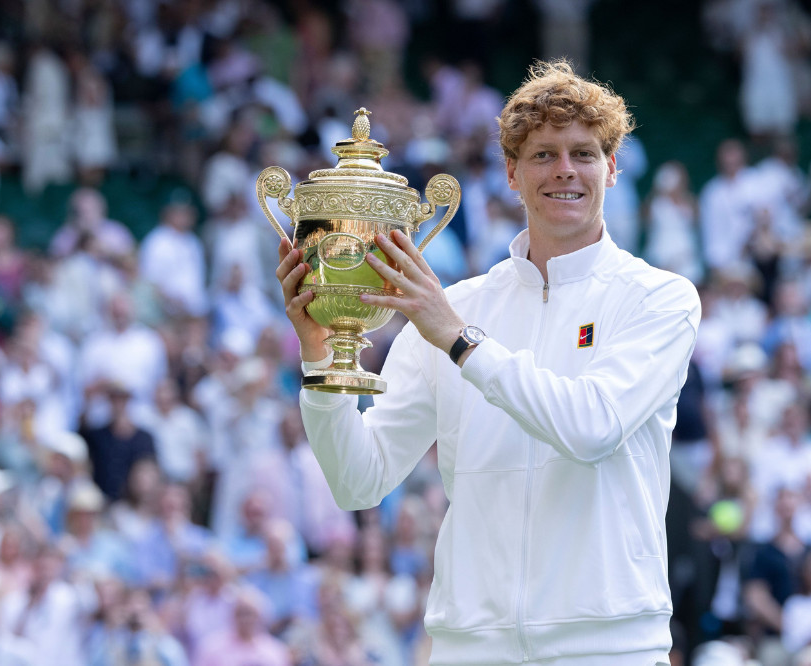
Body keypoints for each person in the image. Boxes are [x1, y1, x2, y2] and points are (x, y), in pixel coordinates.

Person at [276, 60, 701, 664]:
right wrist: (320, 357)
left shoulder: (660, 297)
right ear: (511, 174)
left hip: (610, 646)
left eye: (583, 153)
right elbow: (357, 480)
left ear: (611, 168)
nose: (564, 171)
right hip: (469, 647)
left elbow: (591, 427)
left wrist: (457, 339)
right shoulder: (454, 308)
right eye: (543, 155)